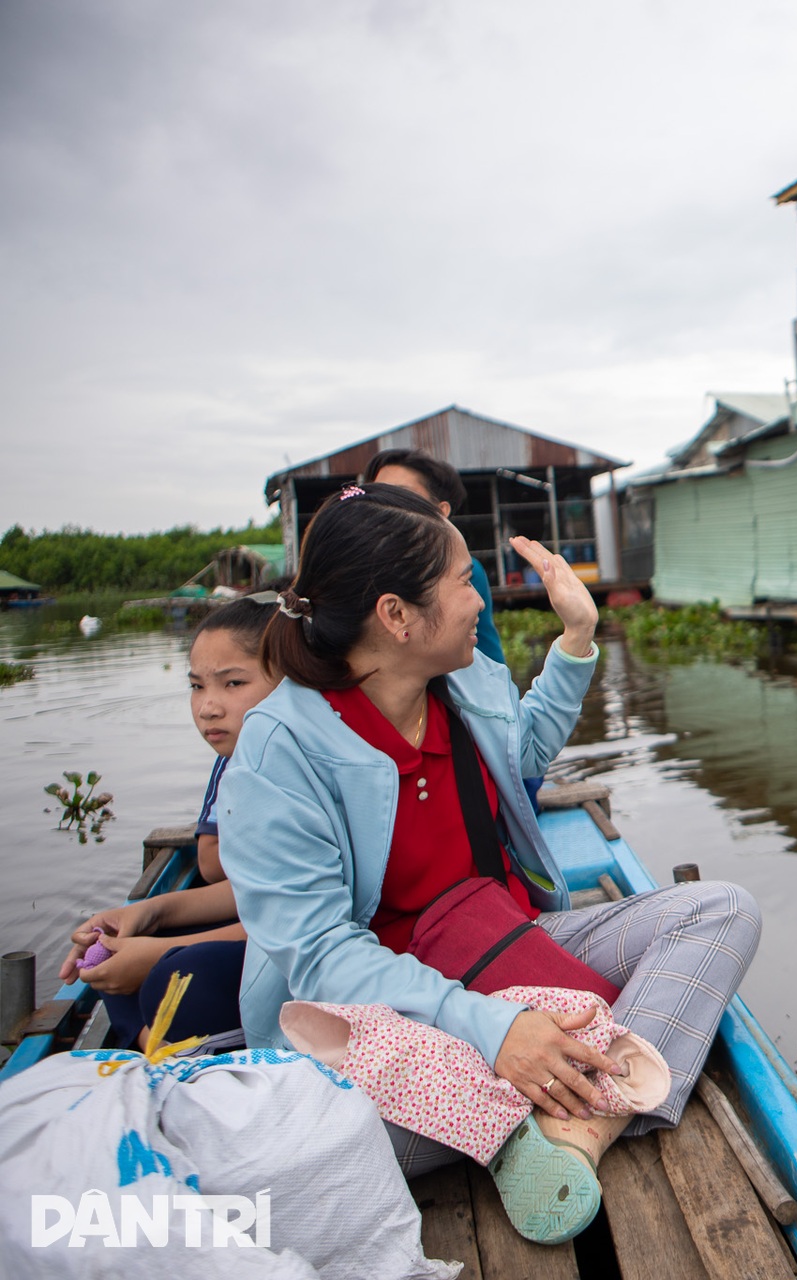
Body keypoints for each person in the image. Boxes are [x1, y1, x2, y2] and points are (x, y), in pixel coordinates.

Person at [218, 482, 760, 1244]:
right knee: (333, 1140)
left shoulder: (465, 678)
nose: (480, 600)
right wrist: (497, 1030)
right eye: (461, 581)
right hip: (386, 1021)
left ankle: (578, 1134)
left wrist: (576, 638)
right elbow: (319, 957)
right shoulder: (281, 748)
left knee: (721, 910)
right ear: (396, 616)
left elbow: (521, 756)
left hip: (503, 939)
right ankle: (590, 1088)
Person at [59, 591, 282, 1046]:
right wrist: (145, 912)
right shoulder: (241, 765)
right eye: (197, 686)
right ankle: (155, 1039)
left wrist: (158, 950)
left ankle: (152, 1040)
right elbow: (250, 888)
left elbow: (287, 917)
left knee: (172, 975)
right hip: (264, 925)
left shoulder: (302, 774)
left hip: (298, 949)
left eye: (232, 684)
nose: (208, 707)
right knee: (109, 959)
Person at [363, 447, 505, 664]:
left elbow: (486, 662)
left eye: (402, 494)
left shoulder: (464, 571)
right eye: (377, 494)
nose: (385, 506)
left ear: (441, 511)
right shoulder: (360, 567)